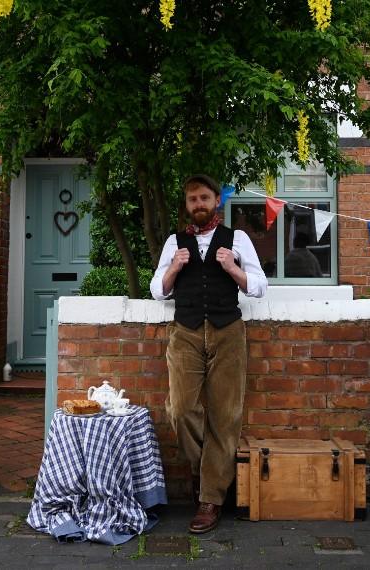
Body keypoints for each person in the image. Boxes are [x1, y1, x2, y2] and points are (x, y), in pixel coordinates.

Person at [150, 174, 268, 534]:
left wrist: (233, 268)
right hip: (184, 332)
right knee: (181, 409)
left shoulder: (238, 239)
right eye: (192, 200)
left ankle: (210, 498)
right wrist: (173, 267)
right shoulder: (175, 241)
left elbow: (260, 287)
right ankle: (211, 473)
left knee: (225, 416)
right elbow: (158, 290)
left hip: (227, 332)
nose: (198, 204)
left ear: (217, 200)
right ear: (187, 205)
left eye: (204, 197)